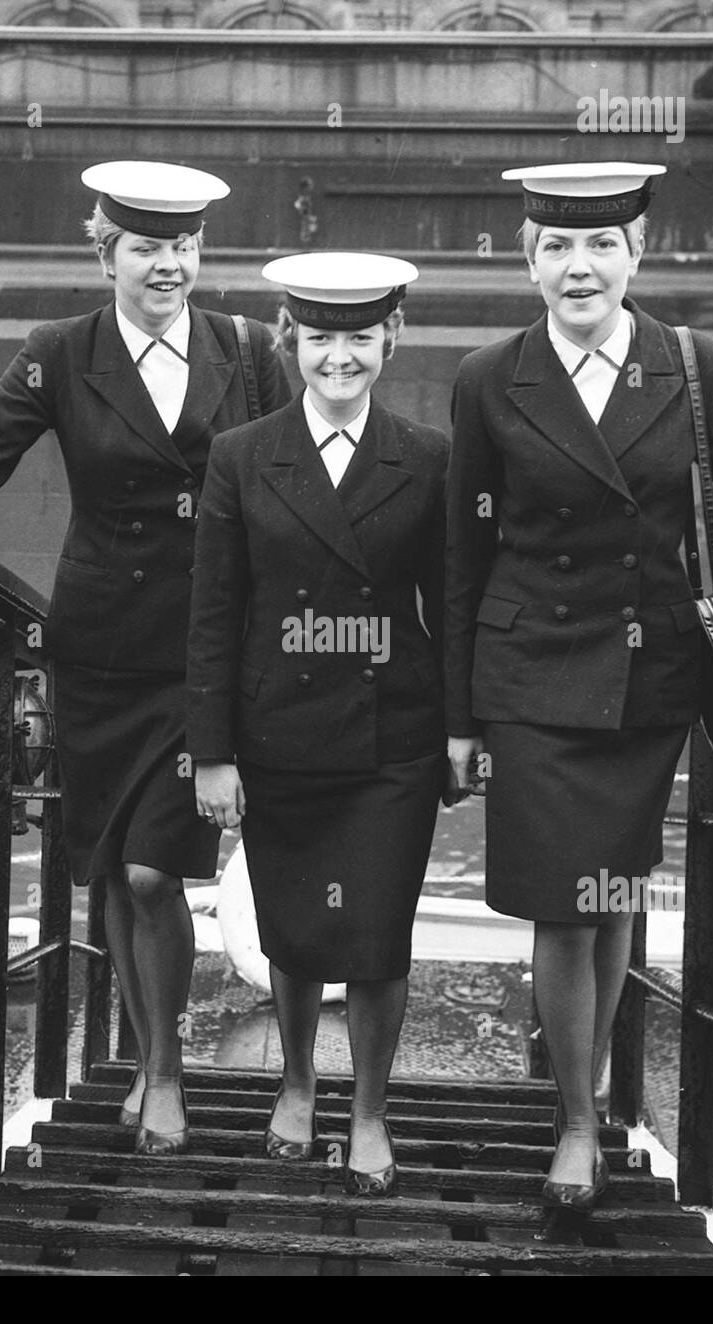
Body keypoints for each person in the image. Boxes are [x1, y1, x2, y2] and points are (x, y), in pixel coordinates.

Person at [444, 163, 713, 1212]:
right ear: (529, 263)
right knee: (559, 905)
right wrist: (458, 718)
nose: (580, 268)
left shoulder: (687, 362)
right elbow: (461, 554)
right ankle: (578, 1123)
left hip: (644, 675)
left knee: (613, 892)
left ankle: (601, 1096)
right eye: (556, 250)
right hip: (530, 674)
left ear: (635, 254)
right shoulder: (488, 376)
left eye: (601, 246)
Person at [0, 160, 290, 1156]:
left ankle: (161, 1072)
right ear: (108, 253)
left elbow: (292, 482)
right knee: (111, 871)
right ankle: (150, 1057)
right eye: (146, 248)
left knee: (146, 869)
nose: (168, 265)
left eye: (183, 246)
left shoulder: (250, 349)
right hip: (101, 653)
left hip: (206, 656)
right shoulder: (61, 353)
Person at [187, 253, 455, 1195]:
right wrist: (212, 752)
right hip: (280, 732)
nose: (340, 357)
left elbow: (451, 605)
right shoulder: (242, 454)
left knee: (379, 931)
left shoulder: (427, 456)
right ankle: (297, 1086)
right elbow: (215, 612)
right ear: (290, 339)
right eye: (320, 338)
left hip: (394, 738)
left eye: (360, 337)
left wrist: (463, 731)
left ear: (392, 338)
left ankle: (371, 1111)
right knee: (297, 930)